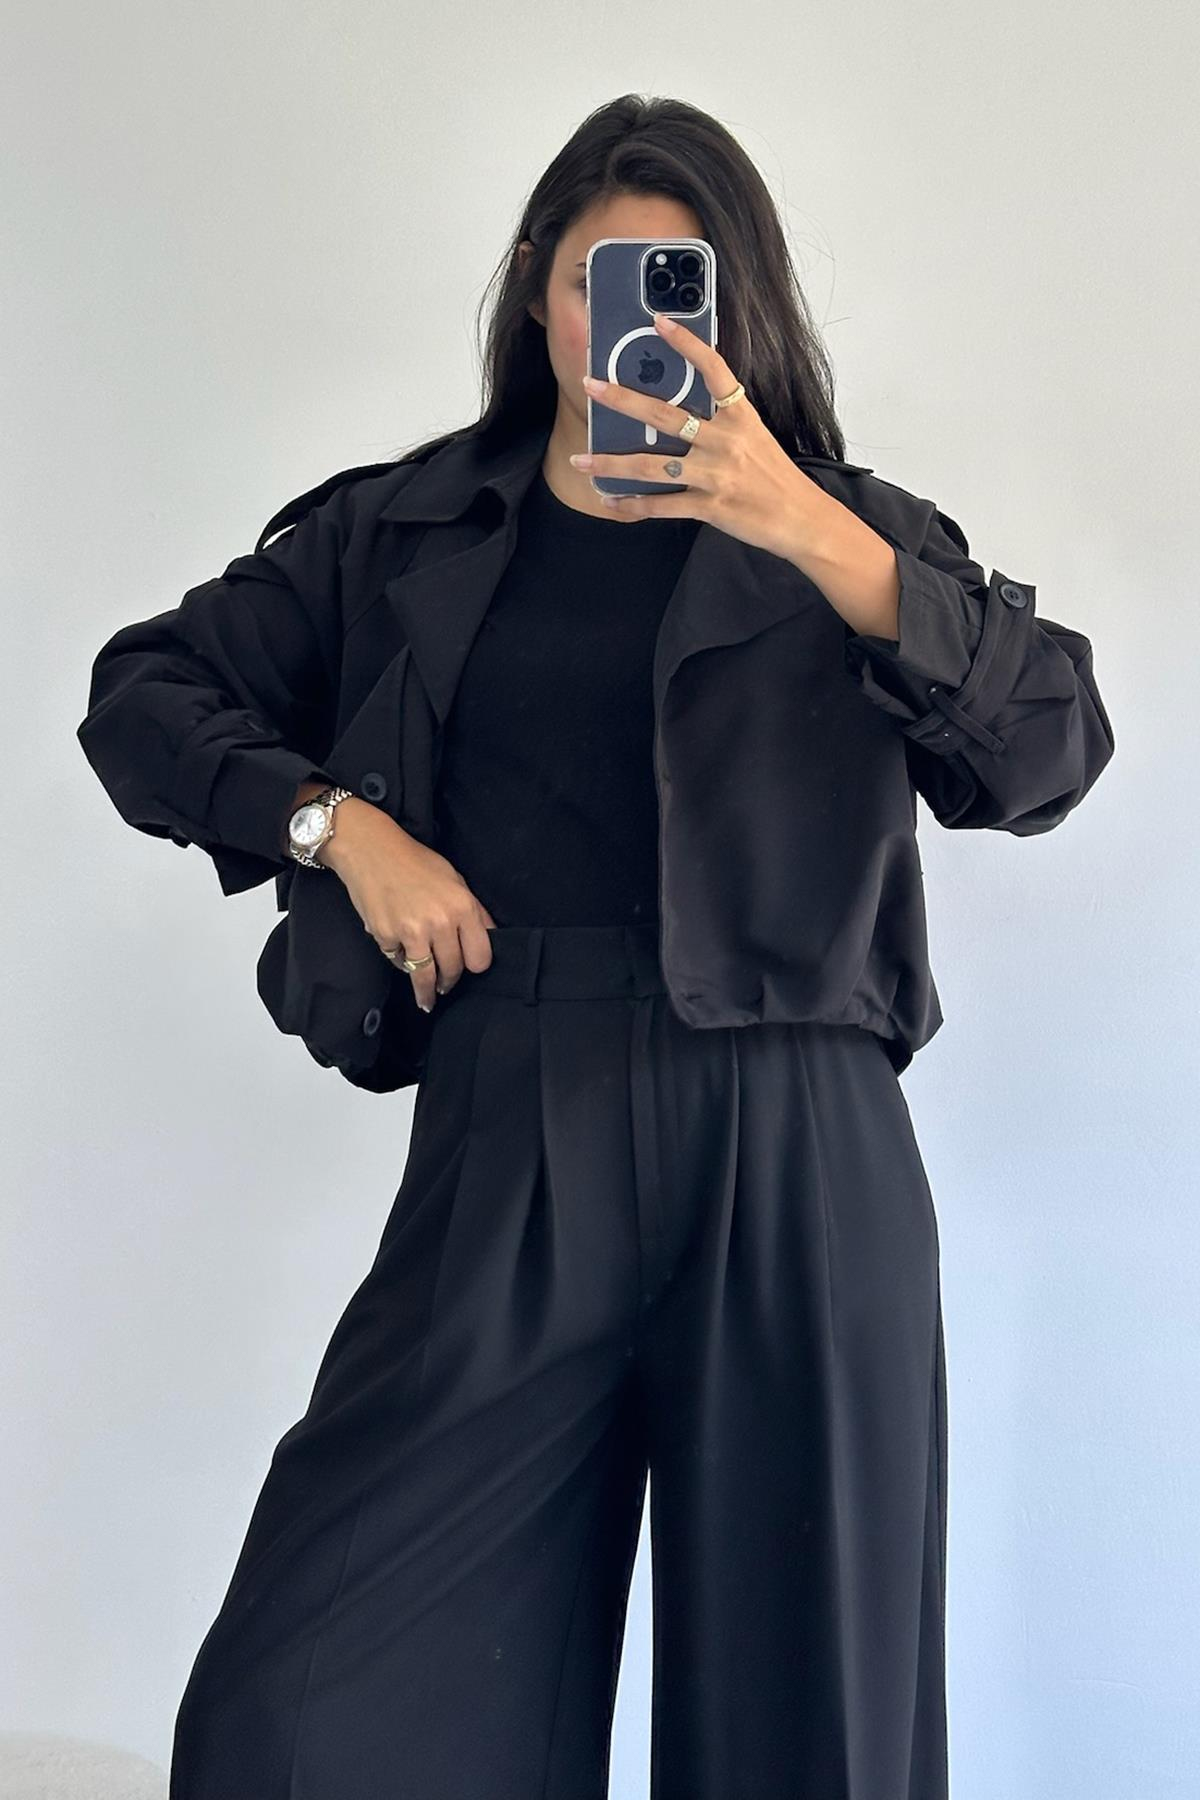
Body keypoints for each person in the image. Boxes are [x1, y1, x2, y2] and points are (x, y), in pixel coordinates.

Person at [76, 95, 1114, 1800]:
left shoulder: (850, 532)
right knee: (305, 1713)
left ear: (741, 308)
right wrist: (341, 829)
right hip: (515, 1115)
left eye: (681, 284)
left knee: (817, 1728)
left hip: (798, 1134)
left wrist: (813, 530)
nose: (627, 325)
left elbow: (1053, 749)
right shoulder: (405, 530)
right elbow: (144, 696)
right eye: (594, 280)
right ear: (536, 290)